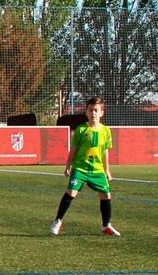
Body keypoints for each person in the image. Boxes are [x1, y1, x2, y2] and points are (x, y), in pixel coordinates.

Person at [51, 96, 119, 236]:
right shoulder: (81, 130)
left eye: (96, 110)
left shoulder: (106, 131)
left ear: (101, 113)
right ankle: (57, 221)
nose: (93, 113)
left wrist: (107, 170)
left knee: (106, 195)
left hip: (97, 169)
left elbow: (105, 151)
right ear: (86, 112)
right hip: (80, 168)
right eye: (90, 110)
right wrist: (68, 166)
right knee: (72, 192)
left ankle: (106, 225)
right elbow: (73, 151)